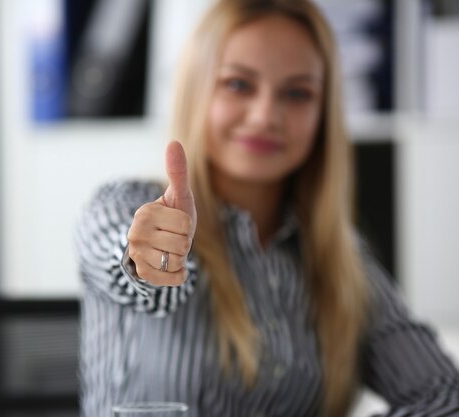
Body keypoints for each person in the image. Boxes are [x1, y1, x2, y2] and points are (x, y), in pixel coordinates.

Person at [75, 0, 459, 416]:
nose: (265, 116)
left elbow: (442, 393)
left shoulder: (338, 255)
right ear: (196, 90)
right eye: (239, 84)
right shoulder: (121, 206)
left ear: (322, 113)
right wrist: (146, 259)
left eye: (297, 93)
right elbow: (131, 270)